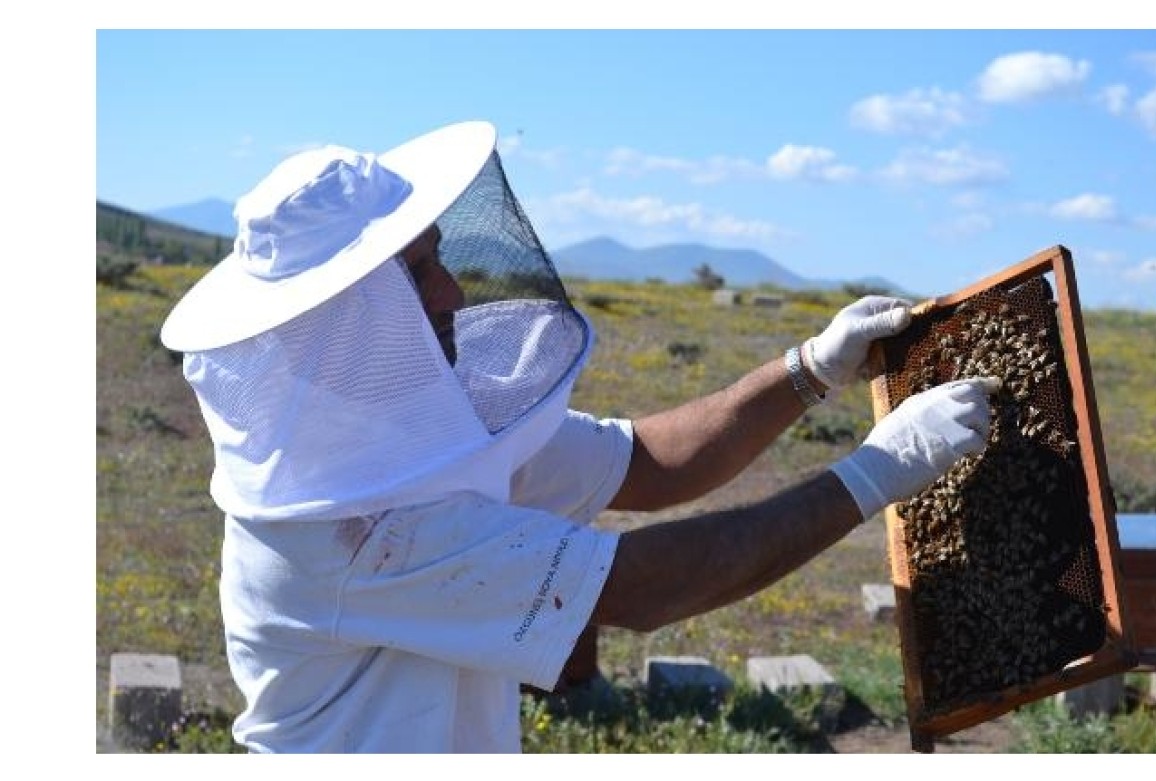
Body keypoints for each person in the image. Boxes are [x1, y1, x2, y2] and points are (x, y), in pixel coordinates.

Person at [159, 120, 998, 753]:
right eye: (417, 275)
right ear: (348, 320)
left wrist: (809, 369)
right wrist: (880, 470)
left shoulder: (420, 430)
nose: (452, 293)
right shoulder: (340, 531)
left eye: (435, 259)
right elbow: (635, 591)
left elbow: (648, 459)